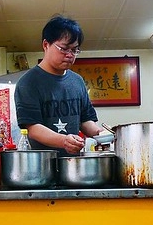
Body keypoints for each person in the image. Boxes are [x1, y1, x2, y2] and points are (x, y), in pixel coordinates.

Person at [14, 15, 105, 155]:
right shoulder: (28, 83)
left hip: (73, 164)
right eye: (64, 48)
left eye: (75, 50)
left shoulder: (77, 81)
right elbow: (33, 128)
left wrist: (101, 133)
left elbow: (85, 120)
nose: (70, 55)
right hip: (43, 165)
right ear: (46, 45)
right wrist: (64, 141)